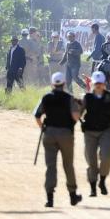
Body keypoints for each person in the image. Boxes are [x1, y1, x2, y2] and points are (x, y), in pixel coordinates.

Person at [33, 72, 83, 208]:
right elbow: (75, 117)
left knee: (51, 166)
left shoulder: (46, 98)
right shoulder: (69, 98)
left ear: (52, 84)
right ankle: (73, 196)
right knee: (68, 165)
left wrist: (42, 128)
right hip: (66, 134)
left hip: (49, 134)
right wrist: (80, 106)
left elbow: (37, 116)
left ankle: (50, 199)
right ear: (64, 84)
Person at [80, 71, 110, 197]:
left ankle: (103, 181)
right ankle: (93, 188)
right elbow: (78, 113)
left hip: (105, 131)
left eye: (101, 84)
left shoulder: (109, 97)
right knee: (92, 161)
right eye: (96, 84)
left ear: (104, 84)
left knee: (106, 158)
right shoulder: (87, 97)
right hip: (89, 132)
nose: (99, 86)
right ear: (93, 84)